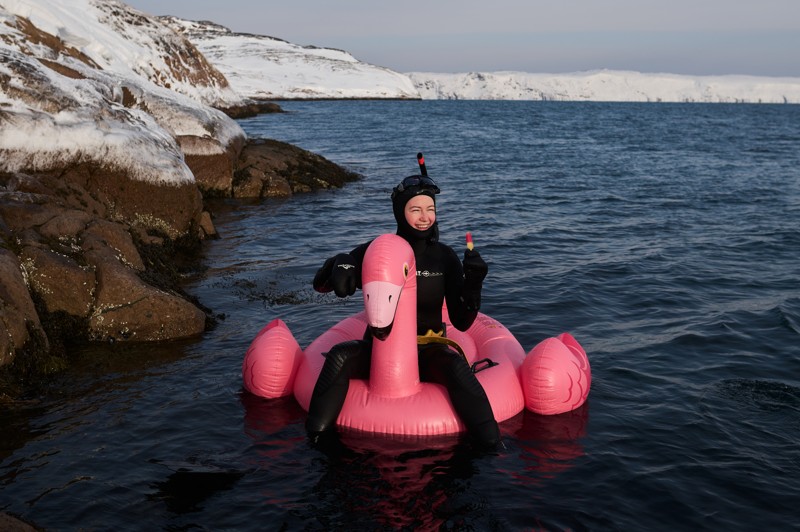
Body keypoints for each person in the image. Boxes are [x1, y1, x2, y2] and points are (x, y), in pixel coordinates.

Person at [307, 154, 500, 448]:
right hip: (379, 347)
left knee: (457, 368)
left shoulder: (444, 257)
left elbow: (461, 321)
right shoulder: (378, 250)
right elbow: (320, 287)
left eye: (430, 209)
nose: (424, 217)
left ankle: (494, 449)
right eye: (415, 209)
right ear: (400, 212)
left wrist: (474, 283)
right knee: (338, 356)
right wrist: (337, 263)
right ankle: (315, 444)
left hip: (430, 346)